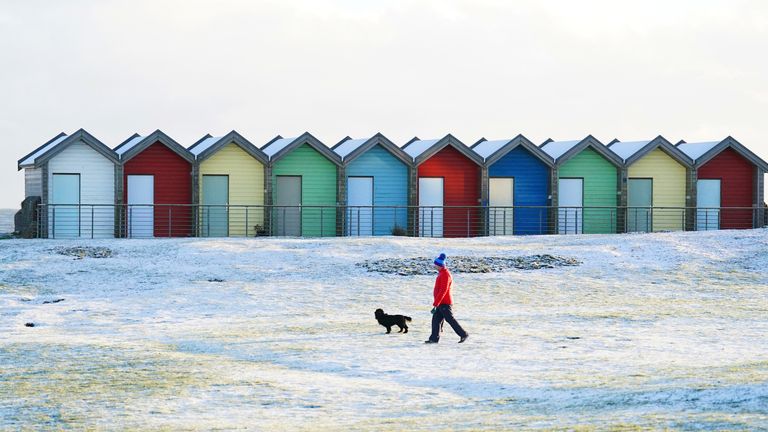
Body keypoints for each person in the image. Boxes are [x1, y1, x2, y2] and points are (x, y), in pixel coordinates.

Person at [425, 253, 469, 344]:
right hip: (440, 302)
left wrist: (436, 303)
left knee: (450, 319)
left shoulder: (445, 275)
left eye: (436, 265)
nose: (434, 266)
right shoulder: (442, 273)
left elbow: (443, 290)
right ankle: (433, 339)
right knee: (436, 320)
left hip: (445, 302)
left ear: (440, 265)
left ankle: (463, 334)